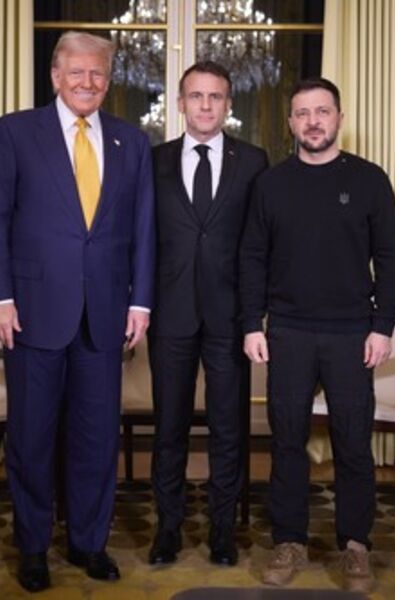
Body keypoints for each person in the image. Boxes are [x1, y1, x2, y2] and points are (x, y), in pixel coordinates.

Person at [0, 31, 155, 593]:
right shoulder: (15, 132)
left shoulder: (131, 141)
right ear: (55, 76)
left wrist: (140, 301)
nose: (87, 82)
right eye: (76, 72)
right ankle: (33, 547)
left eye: (97, 73)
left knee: (96, 438)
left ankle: (87, 542)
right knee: (31, 437)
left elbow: (143, 229)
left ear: (109, 79)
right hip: (31, 312)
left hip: (105, 314)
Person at [239, 77, 395, 592]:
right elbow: (252, 258)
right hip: (287, 331)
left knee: (353, 443)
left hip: (353, 333)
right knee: (286, 441)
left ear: (339, 118)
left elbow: (390, 258)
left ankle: (355, 545)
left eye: (322, 111)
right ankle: (289, 541)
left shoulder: (370, 180)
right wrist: (252, 323)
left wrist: (383, 326)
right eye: (303, 113)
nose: (313, 122)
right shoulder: (270, 184)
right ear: (291, 122)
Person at [148, 61, 268, 567]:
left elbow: (260, 243)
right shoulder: (152, 160)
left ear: (228, 104)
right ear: (180, 103)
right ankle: (168, 529)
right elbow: (141, 239)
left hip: (230, 319)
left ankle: (223, 531)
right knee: (169, 429)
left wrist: (256, 316)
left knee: (228, 429)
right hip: (169, 314)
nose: (205, 105)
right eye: (195, 96)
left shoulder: (254, 161)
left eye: (215, 96)